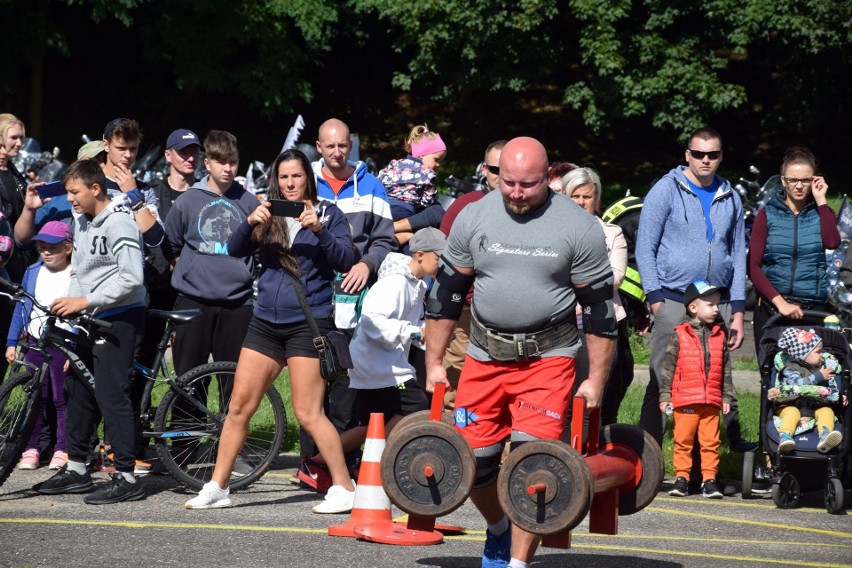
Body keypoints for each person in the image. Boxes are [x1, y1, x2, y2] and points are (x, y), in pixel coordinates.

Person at [425, 137, 616, 568]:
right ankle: (497, 527)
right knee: (472, 464)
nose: (514, 192)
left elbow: (601, 311)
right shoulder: (474, 216)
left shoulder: (578, 227)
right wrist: (434, 363)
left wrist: (596, 379)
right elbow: (446, 296)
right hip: (483, 357)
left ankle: (517, 563)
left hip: (547, 361)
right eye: (507, 181)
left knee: (534, 469)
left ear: (549, 177)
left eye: (526, 185)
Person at [184, 149, 356, 513]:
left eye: (296, 176)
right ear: (275, 180)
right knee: (238, 407)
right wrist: (250, 222)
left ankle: (344, 487)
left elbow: (346, 259)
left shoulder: (327, 213)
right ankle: (218, 486)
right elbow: (233, 249)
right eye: (284, 177)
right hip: (265, 323)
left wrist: (319, 230)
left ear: (308, 178)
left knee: (308, 412)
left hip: (307, 325)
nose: (290, 184)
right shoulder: (268, 213)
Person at [32, 159, 147, 504]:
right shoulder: (80, 223)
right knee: (77, 388)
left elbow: (132, 279)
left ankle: (127, 478)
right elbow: (80, 271)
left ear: (95, 189)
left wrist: (84, 300)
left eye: (74, 192)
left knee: (112, 394)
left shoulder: (121, 222)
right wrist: (73, 302)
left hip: (122, 315)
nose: (69, 199)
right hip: (92, 314)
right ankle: (78, 469)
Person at [636, 126, 753, 454]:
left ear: (720, 157)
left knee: (718, 374)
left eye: (712, 154)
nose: (705, 160)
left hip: (719, 300)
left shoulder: (730, 196)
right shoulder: (665, 190)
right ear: (687, 155)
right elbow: (645, 246)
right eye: (698, 154)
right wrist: (655, 299)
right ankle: (649, 454)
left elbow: (737, 252)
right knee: (663, 376)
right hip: (673, 297)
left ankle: (734, 447)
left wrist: (739, 310)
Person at [296, 119, 395, 477]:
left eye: (343, 146)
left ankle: (339, 459)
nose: (338, 153)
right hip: (316, 294)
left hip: (356, 293)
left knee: (347, 378)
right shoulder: (306, 184)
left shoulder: (371, 185)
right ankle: (310, 462)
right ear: (318, 147)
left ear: (350, 145)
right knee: (314, 379)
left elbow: (385, 240)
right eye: (330, 146)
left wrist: (367, 266)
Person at [748, 147, 839, 350]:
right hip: (773, 309)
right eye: (793, 180)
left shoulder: (822, 213)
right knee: (771, 376)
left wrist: (821, 199)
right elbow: (753, 266)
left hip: (811, 309)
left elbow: (832, 242)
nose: (799, 186)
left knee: (809, 376)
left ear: (814, 180)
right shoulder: (766, 214)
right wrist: (780, 303)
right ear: (783, 181)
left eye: (805, 180)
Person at [563, 167, 632, 429]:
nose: (581, 202)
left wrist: (572, 279)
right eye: (575, 196)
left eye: (587, 197)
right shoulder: (552, 233)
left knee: (594, 401)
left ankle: (593, 455)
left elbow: (615, 278)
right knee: (565, 401)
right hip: (561, 324)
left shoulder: (612, 233)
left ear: (597, 200)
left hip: (600, 324)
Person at [438, 140, 505, 410]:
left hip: (513, 312)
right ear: (484, 170)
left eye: (506, 167)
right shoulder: (465, 206)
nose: (500, 175)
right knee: (456, 370)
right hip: (467, 308)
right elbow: (443, 257)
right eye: (494, 168)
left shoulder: (533, 211)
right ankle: (448, 436)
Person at [7, 221, 73, 470]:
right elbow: (22, 308)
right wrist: (12, 341)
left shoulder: (75, 273)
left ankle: (61, 448)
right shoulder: (33, 271)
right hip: (35, 342)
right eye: (42, 247)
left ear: (68, 248)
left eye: (53, 247)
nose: (46, 252)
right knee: (34, 396)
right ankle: (32, 447)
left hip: (63, 344)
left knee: (59, 398)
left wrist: (75, 349)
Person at [658, 280, 733, 499]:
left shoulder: (720, 335)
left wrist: (726, 396)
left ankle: (709, 480)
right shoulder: (680, 333)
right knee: (683, 440)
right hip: (686, 400)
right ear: (693, 308)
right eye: (710, 305)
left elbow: (725, 369)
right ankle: (682, 478)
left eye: (717, 304)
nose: (716, 309)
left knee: (711, 442)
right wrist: (665, 395)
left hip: (711, 400)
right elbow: (668, 367)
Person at [770, 327, 843, 454]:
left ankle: (825, 436)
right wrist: (818, 377)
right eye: (818, 352)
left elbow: (831, 389)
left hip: (814, 406)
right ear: (803, 354)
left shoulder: (822, 369)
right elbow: (796, 384)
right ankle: (785, 437)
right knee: (792, 413)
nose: (822, 356)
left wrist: (839, 396)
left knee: (827, 411)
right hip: (790, 404)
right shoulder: (790, 369)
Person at [377, 124, 447, 246]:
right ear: (422, 154)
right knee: (410, 246)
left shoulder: (394, 164)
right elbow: (428, 200)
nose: (438, 165)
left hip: (385, 210)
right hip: (406, 212)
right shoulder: (427, 174)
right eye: (436, 160)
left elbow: (380, 180)